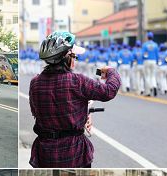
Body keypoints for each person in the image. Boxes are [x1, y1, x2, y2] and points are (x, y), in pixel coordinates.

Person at [29, 31, 121, 168]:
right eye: (75, 56)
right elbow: (109, 91)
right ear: (67, 57)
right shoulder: (77, 81)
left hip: (45, 153)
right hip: (73, 152)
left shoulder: (35, 83)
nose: (75, 60)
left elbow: (37, 112)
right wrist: (111, 72)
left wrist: (82, 113)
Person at [142, 32, 159, 97]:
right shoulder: (155, 45)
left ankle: (148, 92)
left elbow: (143, 54)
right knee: (153, 76)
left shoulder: (145, 45)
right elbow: (157, 54)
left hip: (147, 61)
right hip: (154, 61)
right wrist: (156, 61)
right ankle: (154, 86)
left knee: (147, 76)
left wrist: (144, 58)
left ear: (147, 37)